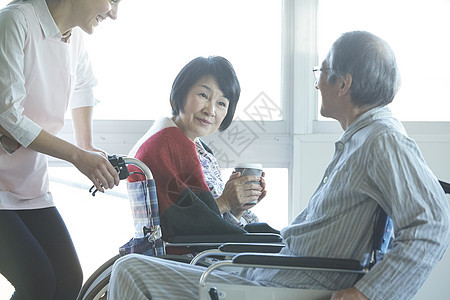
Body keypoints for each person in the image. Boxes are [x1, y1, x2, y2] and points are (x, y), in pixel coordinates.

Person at [108, 31, 450, 300]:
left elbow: (432, 225)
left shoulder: (381, 140)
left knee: (129, 271)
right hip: (277, 268)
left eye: (323, 72)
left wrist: (369, 293)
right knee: (133, 269)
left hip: (290, 279)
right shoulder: (362, 140)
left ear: (343, 84)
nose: (317, 83)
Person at [0, 0, 122, 299]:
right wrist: (77, 156)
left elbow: (84, 86)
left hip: (26, 180)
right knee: (37, 282)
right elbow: (8, 115)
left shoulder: (74, 36)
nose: (114, 13)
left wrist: (86, 144)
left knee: (68, 280)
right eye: (112, 0)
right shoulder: (15, 21)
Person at [126, 56, 267, 241]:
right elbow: (180, 223)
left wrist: (236, 207)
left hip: (208, 249)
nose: (210, 110)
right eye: (203, 95)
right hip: (189, 257)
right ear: (179, 94)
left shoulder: (199, 148)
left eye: (221, 103)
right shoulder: (164, 146)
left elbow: (212, 220)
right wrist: (225, 201)